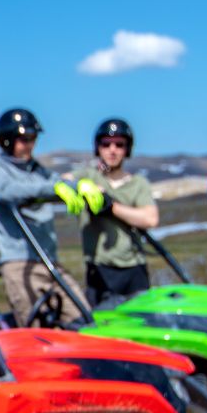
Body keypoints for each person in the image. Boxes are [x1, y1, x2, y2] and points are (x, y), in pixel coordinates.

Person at [0, 107, 89, 326]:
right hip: (20, 265)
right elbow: (7, 191)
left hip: (49, 261)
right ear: (7, 140)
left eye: (32, 139)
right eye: (24, 139)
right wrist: (52, 190)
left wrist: (80, 187)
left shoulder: (38, 170)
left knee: (82, 317)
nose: (29, 145)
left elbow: (57, 182)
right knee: (36, 330)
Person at [73, 118, 159, 306]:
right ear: (98, 147)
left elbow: (150, 219)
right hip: (99, 269)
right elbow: (60, 182)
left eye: (119, 144)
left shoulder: (138, 183)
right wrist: (80, 186)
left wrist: (112, 207)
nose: (112, 150)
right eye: (106, 144)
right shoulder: (88, 175)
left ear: (127, 149)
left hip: (134, 268)